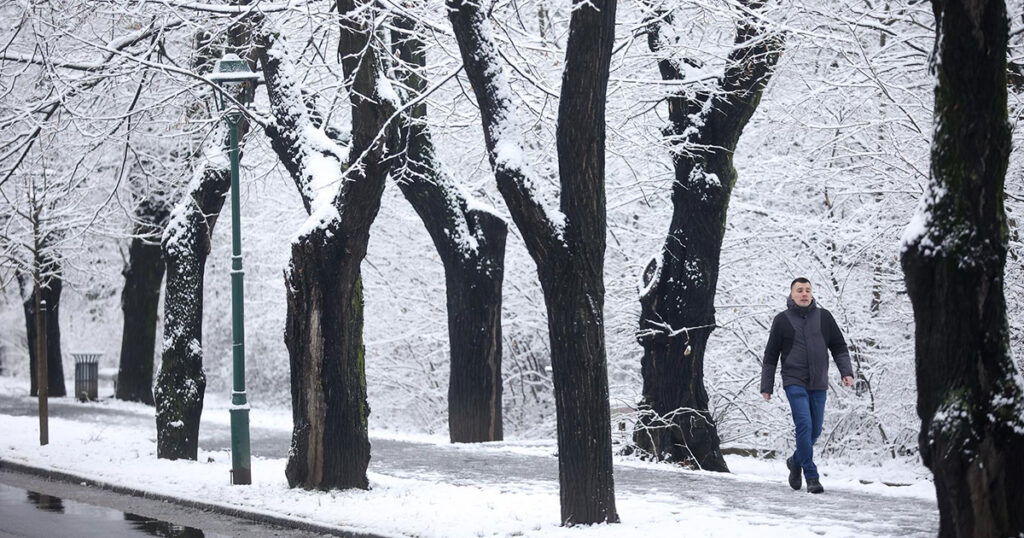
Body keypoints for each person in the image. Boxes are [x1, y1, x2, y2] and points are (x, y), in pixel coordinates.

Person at [760, 277, 854, 494]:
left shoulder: (824, 317)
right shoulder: (782, 320)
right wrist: (767, 385)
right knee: (804, 424)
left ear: (812, 294)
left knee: (815, 429)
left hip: (819, 381)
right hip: (794, 380)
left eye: (807, 290)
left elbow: (839, 346)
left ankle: (795, 461)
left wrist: (846, 372)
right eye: (799, 290)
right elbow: (771, 354)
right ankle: (811, 475)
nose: (804, 294)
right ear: (791, 294)